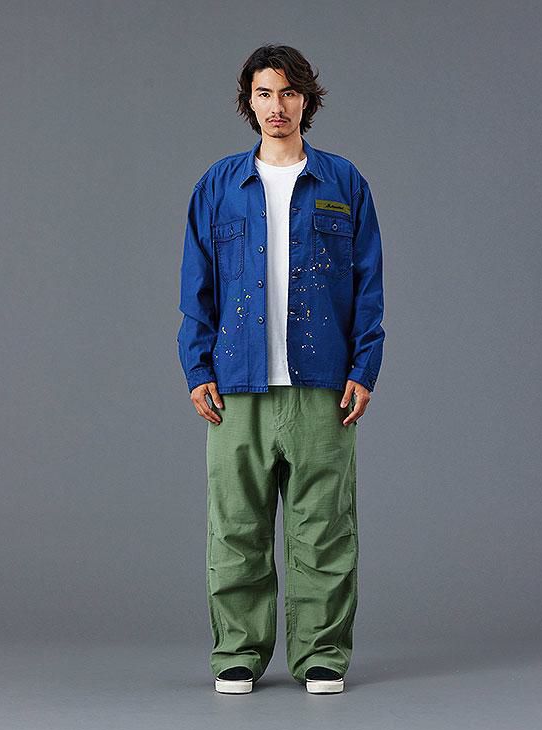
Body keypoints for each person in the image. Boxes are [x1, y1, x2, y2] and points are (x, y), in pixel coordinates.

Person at [177, 44, 385, 695]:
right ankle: (238, 653)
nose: (277, 106)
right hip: (236, 385)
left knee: (324, 528)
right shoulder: (217, 187)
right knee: (235, 527)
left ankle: (321, 654)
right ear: (249, 101)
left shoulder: (344, 183)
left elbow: (369, 283)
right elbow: (196, 288)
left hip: (323, 384)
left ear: (307, 100)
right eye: (265, 93)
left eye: (289, 92)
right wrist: (196, 369)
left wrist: (365, 367)